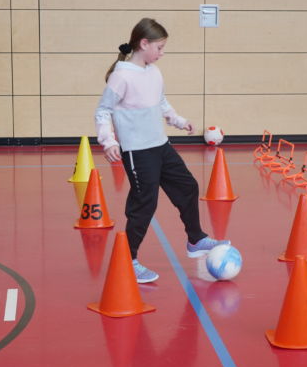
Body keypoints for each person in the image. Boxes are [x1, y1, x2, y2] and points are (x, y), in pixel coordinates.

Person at [94, 18, 229, 283]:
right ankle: (128, 260)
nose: (162, 52)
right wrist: (108, 141)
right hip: (137, 151)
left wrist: (178, 121)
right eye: (159, 47)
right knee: (145, 204)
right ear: (143, 44)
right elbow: (103, 110)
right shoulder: (121, 76)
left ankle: (196, 239)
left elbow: (161, 102)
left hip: (160, 146)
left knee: (187, 186)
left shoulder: (153, 71)